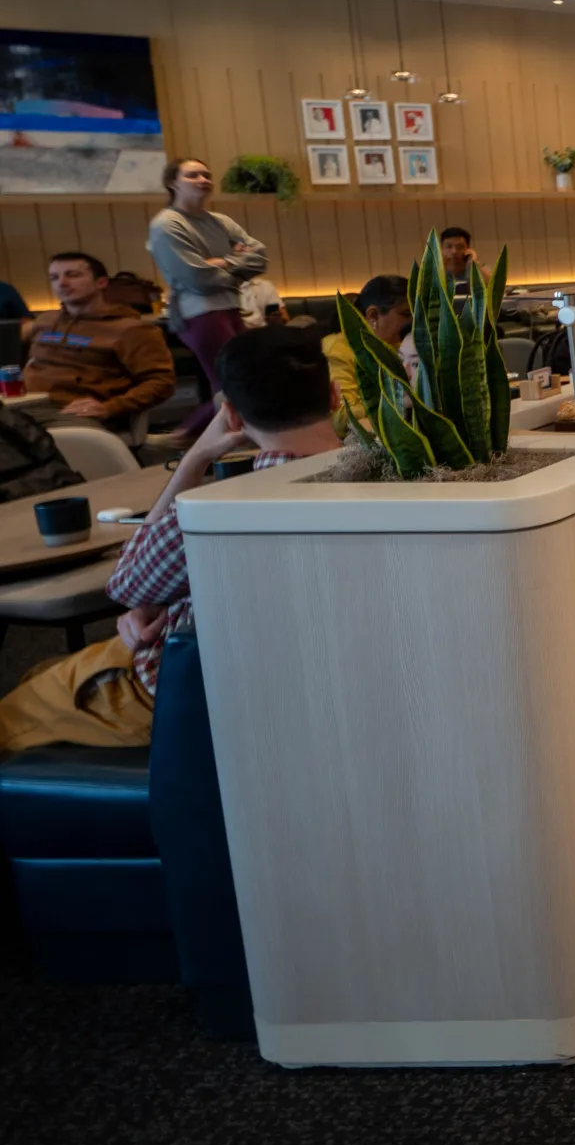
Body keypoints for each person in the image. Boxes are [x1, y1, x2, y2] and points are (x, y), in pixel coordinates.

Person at [0, 328, 338, 752]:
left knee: (13, 712)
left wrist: (196, 455)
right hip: (309, 690)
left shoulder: (216, 513)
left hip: (187, 693)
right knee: (46, 673)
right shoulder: (388, 475)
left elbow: (126, 585)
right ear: (334, 396)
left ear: (232, 418)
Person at [148, 155, 268, 441]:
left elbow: (260, 258)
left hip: (230, 307)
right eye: (192, 175)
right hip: (199, 313)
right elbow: (197, 278)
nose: (203, 180)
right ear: (172, 183)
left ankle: (192, 434)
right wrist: (237, 266)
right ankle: (188, 435)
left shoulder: (221, 221)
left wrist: (221, 263)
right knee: (233, 382)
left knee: (242, 378)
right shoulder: (166, 224)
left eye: (206, 175)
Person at [23, 251, 178, 433]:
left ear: (101, 283)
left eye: (73, 275)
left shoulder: (130, 330)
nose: (62, 283)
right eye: (54, 278)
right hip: (23, 405)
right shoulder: (45, 321)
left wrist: (110, 407)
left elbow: (162, 382)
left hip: (72, 412)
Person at [324, 273, 413, 438]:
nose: (412, 322)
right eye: (406, 314)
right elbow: (341, 417)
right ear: (373, 315)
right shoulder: (339, 350)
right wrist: (397, 402)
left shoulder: (400, 344)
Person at [439, 226, 478, 299]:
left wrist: (474, 265)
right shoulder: (432, 272)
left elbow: (493, 287)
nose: (454, 251)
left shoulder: (478, 268)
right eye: (449, 247)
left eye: (459, 247)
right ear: (441, 249)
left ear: (468, 249)